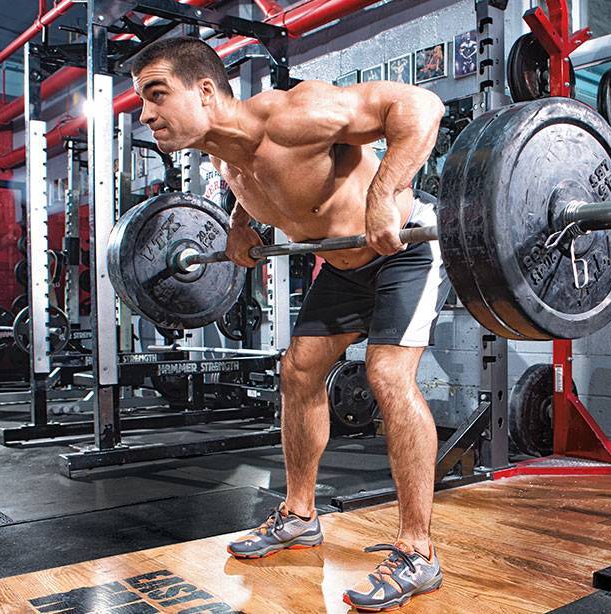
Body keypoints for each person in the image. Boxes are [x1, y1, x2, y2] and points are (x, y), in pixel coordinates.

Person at [130, 37, 449, 611]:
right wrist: (238, 225)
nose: (146, 114)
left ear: (206, 91)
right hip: (342, 264)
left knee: (387, 375)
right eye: (141, 101)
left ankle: (418, 552)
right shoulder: (225, 159)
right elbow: (263, 187)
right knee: (298, 372)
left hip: (404, 248)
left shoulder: (294, 115)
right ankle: (301, 516)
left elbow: (422, 106)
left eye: (156, 95)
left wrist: (385, 192)